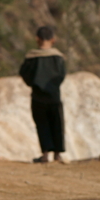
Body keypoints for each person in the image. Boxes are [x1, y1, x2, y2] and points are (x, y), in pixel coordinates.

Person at [19, 26, 67, 163]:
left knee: (42, 124)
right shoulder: (57, 57)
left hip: (37, 96)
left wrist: (34, 84)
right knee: (57, 124)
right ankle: (57, 154)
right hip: (54, 96)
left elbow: (24, 73)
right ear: (53, 39)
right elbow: (61, 75)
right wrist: (53, 86)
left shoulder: (31, 57)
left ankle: (45, 154)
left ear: (37, 39)